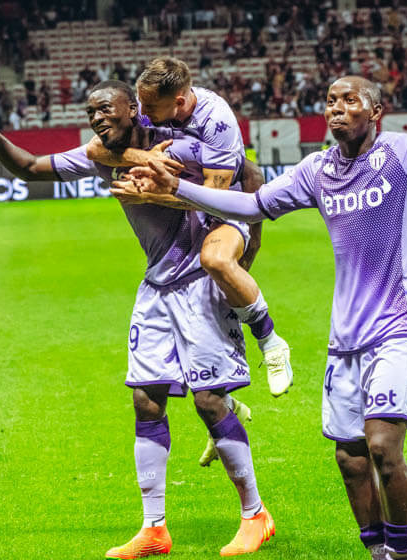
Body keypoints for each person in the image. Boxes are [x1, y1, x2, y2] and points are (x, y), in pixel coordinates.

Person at [113, 76, 407, 560]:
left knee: (383, 446)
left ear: (376, 111)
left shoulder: (406, 152)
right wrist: (179, 191)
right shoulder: (319, 170)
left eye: (350, 100)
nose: (337, 108)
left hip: (402, 324)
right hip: (346, 334)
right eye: (331, 101)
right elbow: (251, 203)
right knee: (350, 459)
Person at [0, 80, 276, 560]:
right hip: (156, 286)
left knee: (209, 401)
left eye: (107, 108)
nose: (97, 117)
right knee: (145, 401)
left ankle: (255, 515)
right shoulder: (104, 155)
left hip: (199, 283)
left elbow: (248, 173)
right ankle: (154, 529)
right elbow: (30, 167)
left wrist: (245, 255)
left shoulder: (177, 143)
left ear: (134, 109)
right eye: (91, 111)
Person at [85, 57, 294, 399]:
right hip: (183, 212)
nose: (143, 113)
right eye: (141, 104)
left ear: (179, 102)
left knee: (216, 260)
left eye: (151, 107)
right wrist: (145, 158)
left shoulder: (216, 121)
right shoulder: (151, 108)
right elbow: (96, 148)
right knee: (201, 317)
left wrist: (152, 196)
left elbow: (214, 199)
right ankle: (222, 403)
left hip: (226, 203)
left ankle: (271, 343)